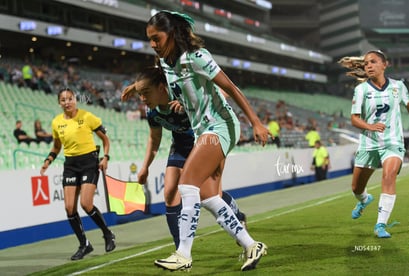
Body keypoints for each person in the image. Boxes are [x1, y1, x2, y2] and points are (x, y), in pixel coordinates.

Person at [146, 11, 270, 271]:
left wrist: (256, 122)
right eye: (150, 40)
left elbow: (232, 88)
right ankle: (251, 245)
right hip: (203, 130)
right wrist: (182, 101)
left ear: (172, 34)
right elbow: (182, 89)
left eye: (156, 38)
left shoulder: (197, 57)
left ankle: (183, 253)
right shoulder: (167, 64)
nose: (153, 45)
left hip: (220, 126)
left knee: (186, 184)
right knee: (208, 197)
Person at [121, 67, 247, 250]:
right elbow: (154, 139)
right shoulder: (152, 113)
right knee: (170, 193)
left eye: (145, 93)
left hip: (204, 143)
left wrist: (191, 103)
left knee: (210, 196)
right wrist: (145, 167)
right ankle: (180, 249)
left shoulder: (181, 91)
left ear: (161, 87)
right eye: (140, 94)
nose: (142, 99)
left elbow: (221, 93)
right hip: (180, 147)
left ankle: (238, 215)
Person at [338, 50, 409, 238]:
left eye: (373, 62)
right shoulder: (361, 89)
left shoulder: (398, 86)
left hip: (393, 142)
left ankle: (381, 225)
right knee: (356, 188)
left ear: (384, 64)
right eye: (366, 63)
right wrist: (370, 126)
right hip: (368, 144)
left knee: (388, 176)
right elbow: (354, 119)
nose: (368, 66)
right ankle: (364, 199)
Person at [40, 88, 116, 260]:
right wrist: (48, 160)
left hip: (89, 162)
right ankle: (84, 244)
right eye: (63, 100)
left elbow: (105, 139)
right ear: (59, 103)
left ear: (75, 99)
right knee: (69, 208)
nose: (67, 102)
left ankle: (107, 234)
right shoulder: (56, 122)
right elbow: (56, 147)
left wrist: (106, 158)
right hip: (70, 165)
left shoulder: (88, 117)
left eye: (70, 98)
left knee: (86, 204)